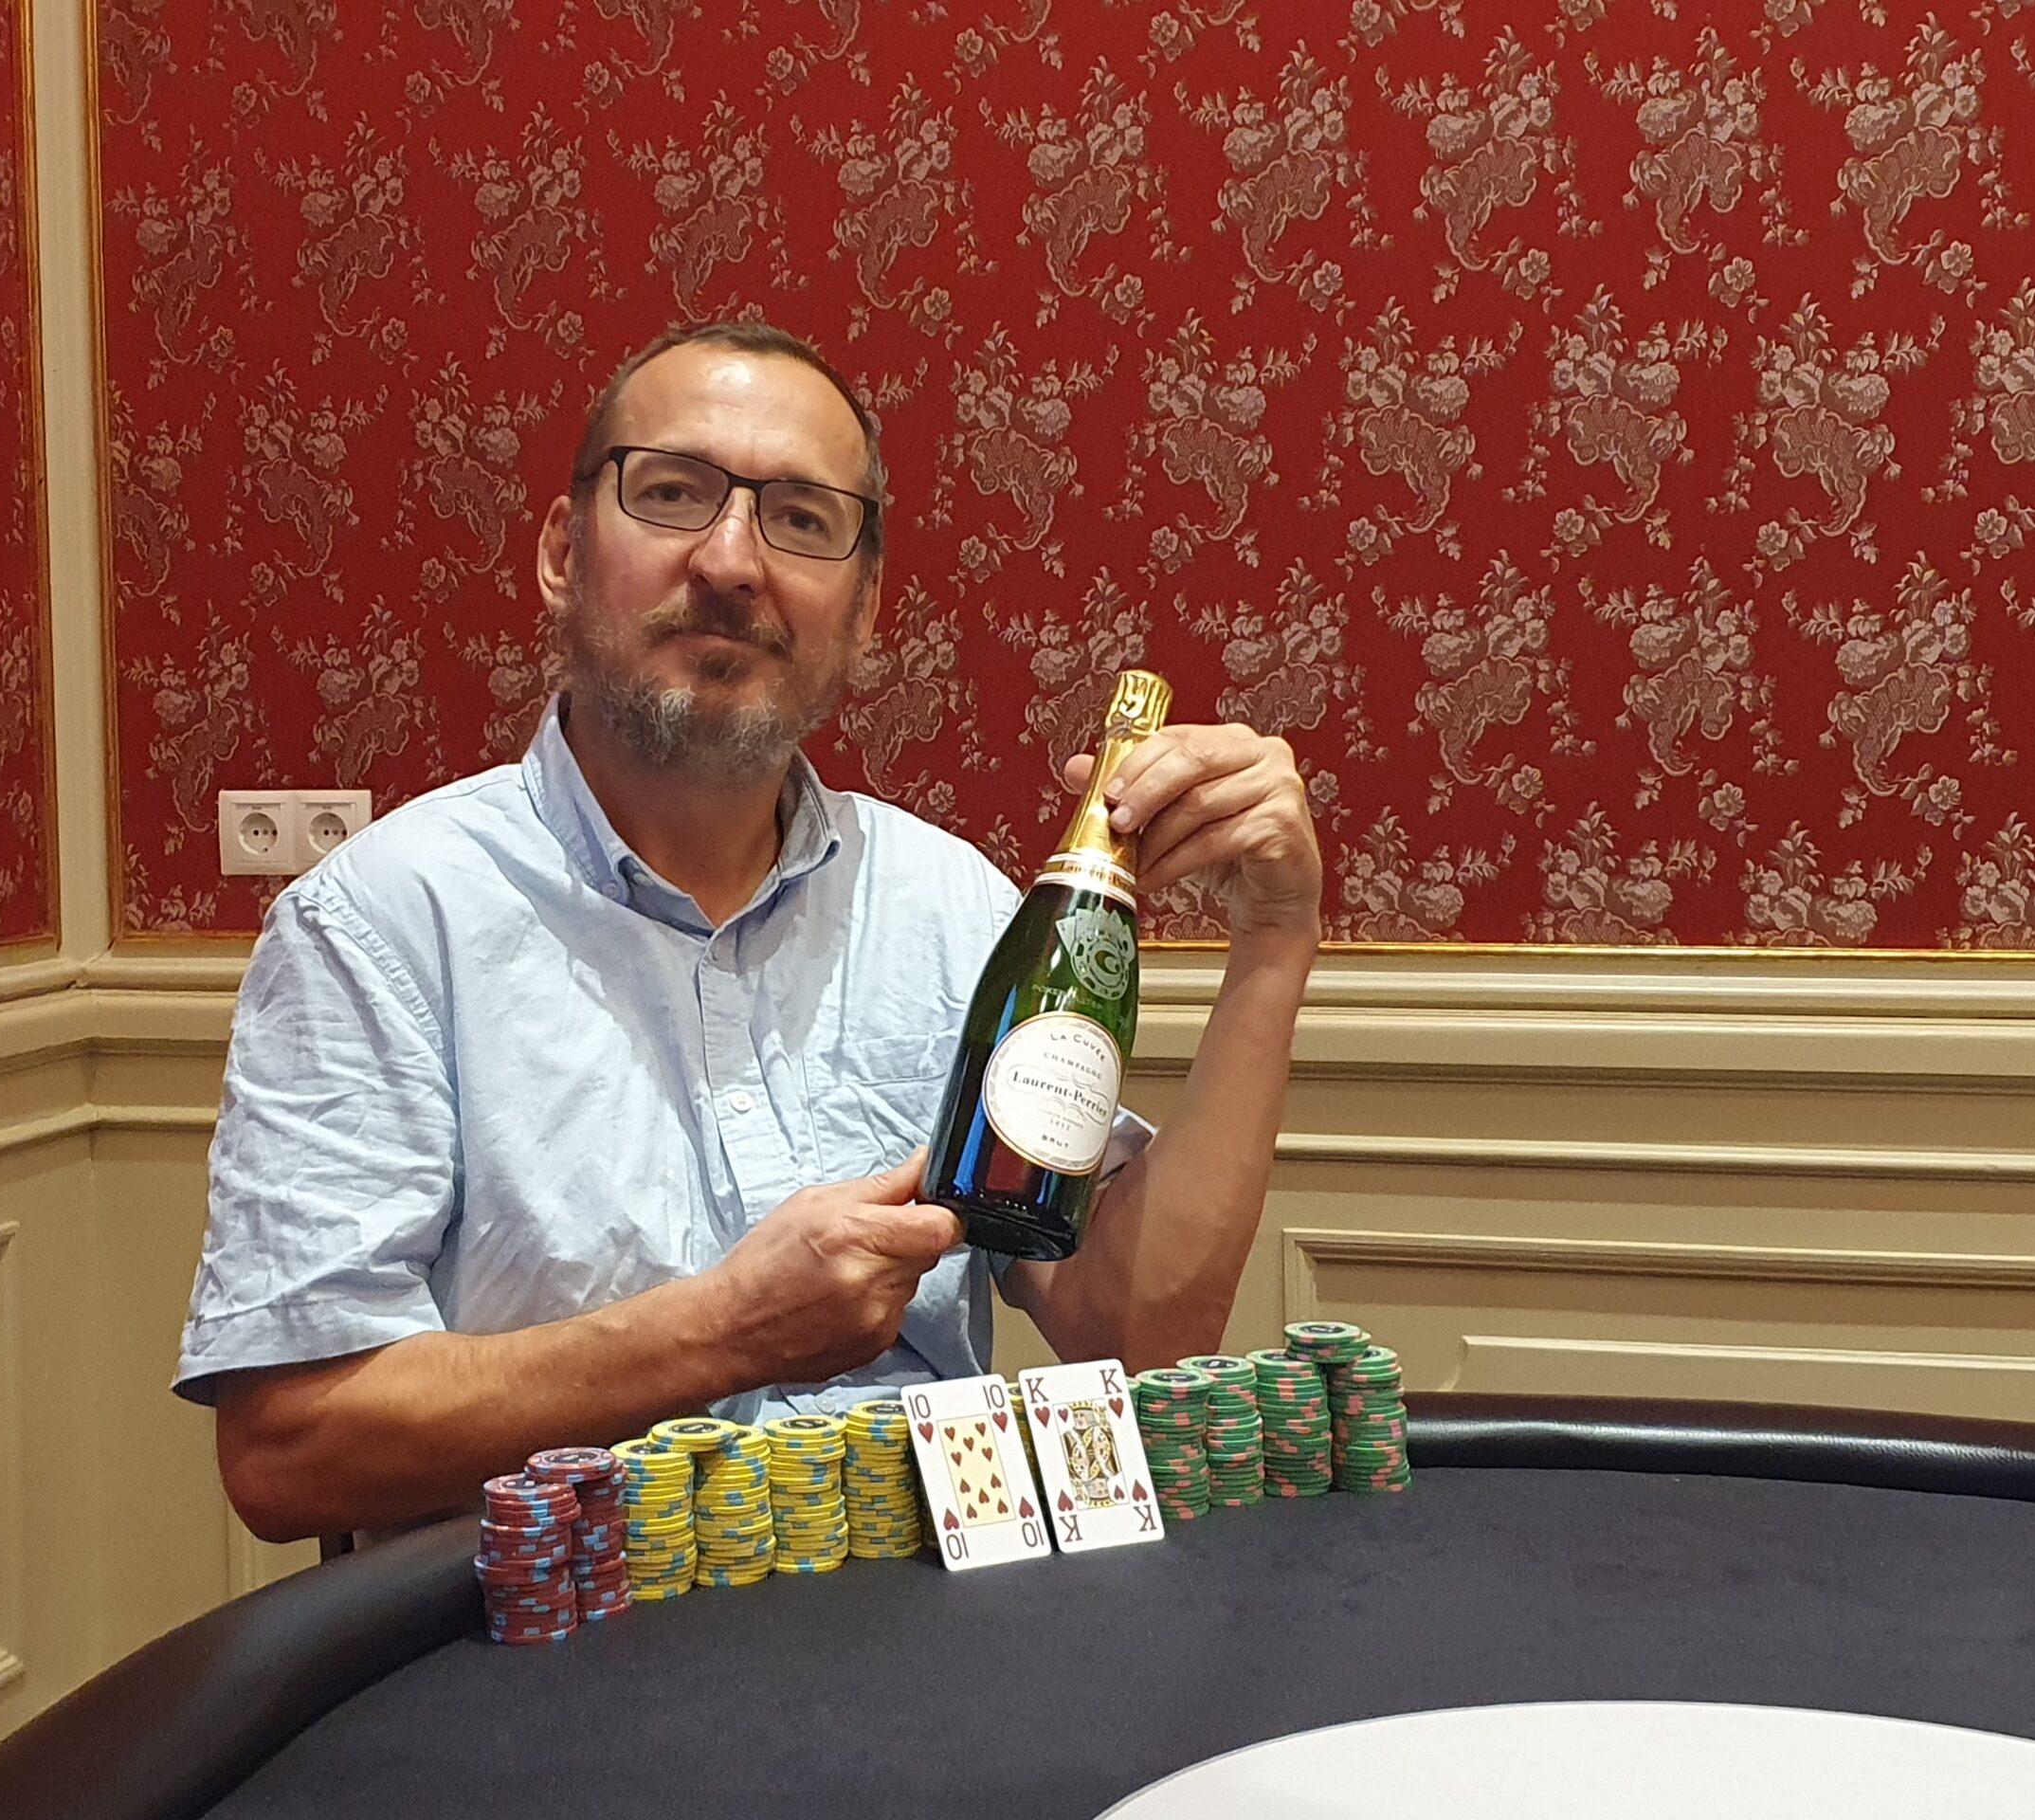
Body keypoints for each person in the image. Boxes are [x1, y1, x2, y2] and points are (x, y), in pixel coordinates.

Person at [176, 321, 1322, 1543]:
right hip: (573, 1641)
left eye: (802, 518)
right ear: (563, 553)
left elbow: (1141, 1333)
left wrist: (1274, 943)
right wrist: (722, 1332)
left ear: (865, 612)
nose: (730, 561)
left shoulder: (951, 908)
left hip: (931, 1619)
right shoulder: (379, 923)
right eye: (671, 493)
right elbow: (287, 1451)